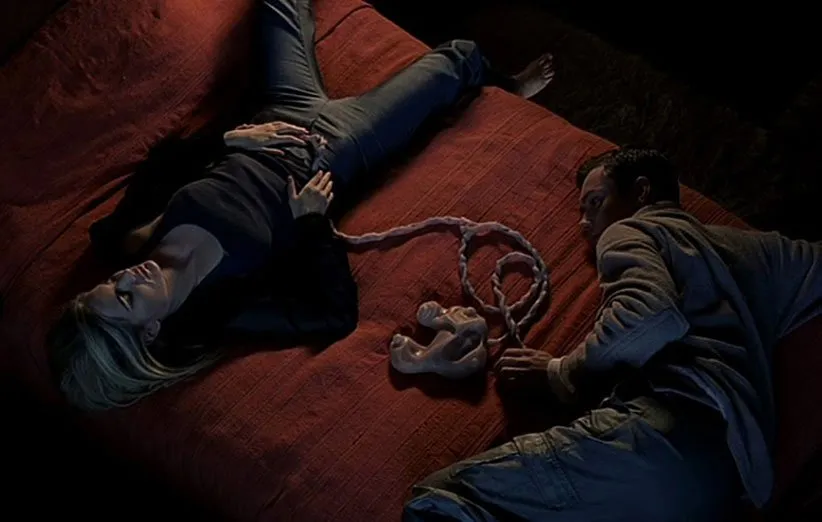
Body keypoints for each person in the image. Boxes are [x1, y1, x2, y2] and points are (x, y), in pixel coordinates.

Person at [47, 0, 555, 411]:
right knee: (459, 57)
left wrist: (233, 138)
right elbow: (333, 315)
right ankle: (507, 89)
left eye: (110, 284)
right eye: (127, 299)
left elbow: (162, 162)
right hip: (338, 145)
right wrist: (313, 221)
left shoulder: (128, 239)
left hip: (273, 115)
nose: (127, 278)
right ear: (151, 331)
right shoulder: (226, 310)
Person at [404, 147, 822, 521]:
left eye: (595, 202)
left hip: (667, 439)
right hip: (733, 480)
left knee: (444, 502)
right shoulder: (752, 249)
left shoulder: (631, 230)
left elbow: (651, 317)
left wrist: (559, 373)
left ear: (641, 192)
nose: (585, 223)